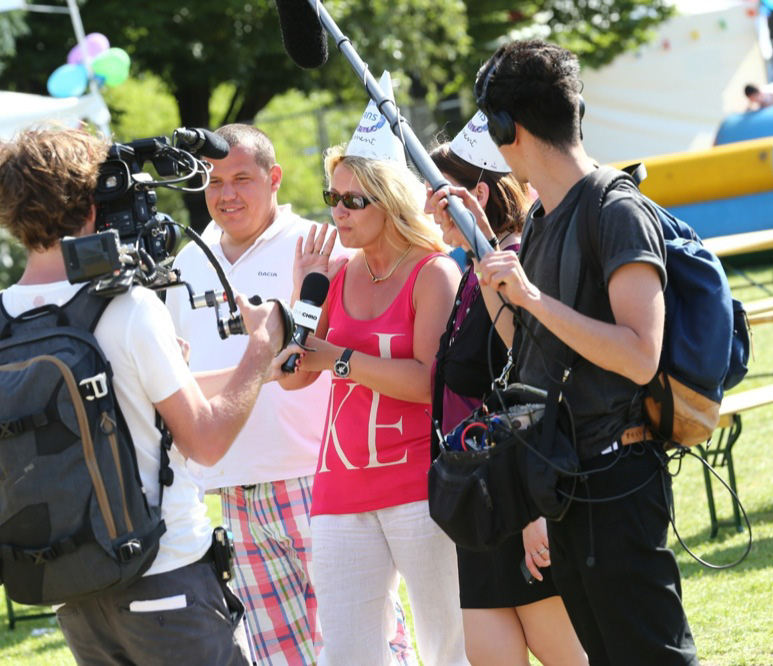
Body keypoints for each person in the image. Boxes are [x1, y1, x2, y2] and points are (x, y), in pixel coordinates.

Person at [0, 126, 286, 665]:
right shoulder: (127, 307)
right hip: (166, 576)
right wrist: (261, 346)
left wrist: (248, 374)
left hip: (74, 587)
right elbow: (205, 442)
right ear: (91, 204)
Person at [427, 40, 698, 665]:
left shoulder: (616, 208)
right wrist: (488, 259)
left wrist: (534, 297)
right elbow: (530, 348)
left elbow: (638, 355)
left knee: (653, 656)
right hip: (565, 481)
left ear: (504, 128)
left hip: (619, 477)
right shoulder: (546, 219)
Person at [166, 123, 413, 666]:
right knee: (278, 654)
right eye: (213, 181)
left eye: (241, 178)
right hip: (232, 487)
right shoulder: (184, 262)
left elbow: (342, 359)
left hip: (319, 477)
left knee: (363, 639)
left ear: (274, 178)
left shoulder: (320, 245)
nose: (226, 193)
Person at [279, 72, 468, 665]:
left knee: (447, 644)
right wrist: (302, 298)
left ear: (389, 201)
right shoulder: (334, 272)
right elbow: (291, 373)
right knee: (349, 652)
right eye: (332, 196)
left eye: (353, 200)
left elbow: (427, 382)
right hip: (339, 485)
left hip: (418, 482)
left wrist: (339, 359)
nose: (338, 210)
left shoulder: (434, 272)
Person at [426, 113, 587, 666]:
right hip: (483, 501)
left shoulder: (516, 263)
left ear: (477, 193)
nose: (429, 206)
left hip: (520, 502)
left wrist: (531, 514)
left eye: (438, 193)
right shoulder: (472, 270)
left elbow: (531, 383)